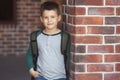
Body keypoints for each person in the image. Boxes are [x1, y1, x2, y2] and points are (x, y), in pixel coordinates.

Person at [26, 1, 71, 80]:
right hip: (41, 77)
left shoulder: (64, 37)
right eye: (46, 17)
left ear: (59, 18)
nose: (49, 20)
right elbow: (29, 54)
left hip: (60, 77)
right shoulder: (36, 37)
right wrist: (31, 70)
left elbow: (69, 58)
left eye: (52, 17)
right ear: (41, 19)